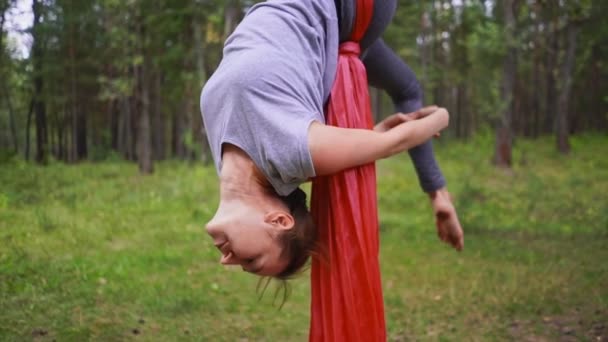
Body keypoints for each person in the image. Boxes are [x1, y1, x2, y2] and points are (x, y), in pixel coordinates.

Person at [200, 0, 464, 279]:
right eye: (251, 259)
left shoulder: (240, 160)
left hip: (327, 32)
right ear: (279, 221)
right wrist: (441, 117)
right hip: (343, 12)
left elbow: (364, 144)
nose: (227, 261)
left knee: (408, 89)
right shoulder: (293, 152)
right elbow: (392, 144)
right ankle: (440, 195)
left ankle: (440, 196)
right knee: (408, 90)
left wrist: (375, 137)